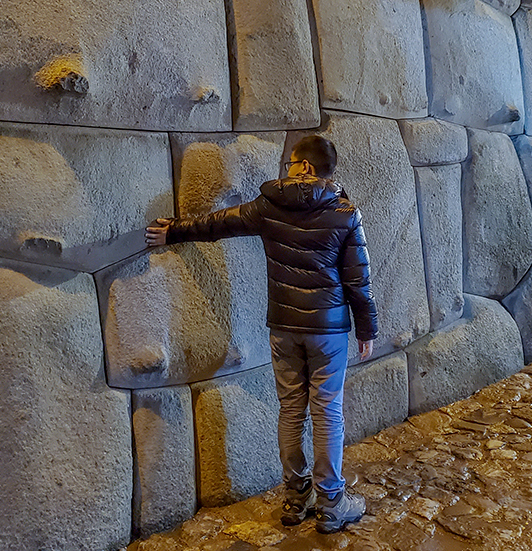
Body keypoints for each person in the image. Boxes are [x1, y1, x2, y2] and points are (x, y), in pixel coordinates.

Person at [145, 134, 378, 533]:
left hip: (283, 328)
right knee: (327, 412)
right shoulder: (345, 214)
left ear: (305, 167)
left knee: (291, 410)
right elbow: (359, 281)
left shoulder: (269, 206)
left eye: (290, 163)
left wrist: (174, 231)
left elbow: (220, 223)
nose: (286, 169)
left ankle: (296, 497)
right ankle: (331, 503)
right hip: (328, 331)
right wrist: (367, 329)